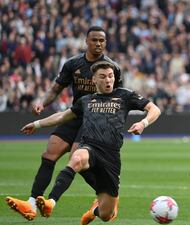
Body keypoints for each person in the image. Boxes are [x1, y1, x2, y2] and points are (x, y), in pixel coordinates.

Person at [20, 61, 161, 224]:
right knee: (77, 158)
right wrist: (37, 124)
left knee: (106, 215)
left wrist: (143, 123)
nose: (108, 80)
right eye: (103, 77)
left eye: (110, 76)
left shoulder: (125, 95)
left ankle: (95, 210)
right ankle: (51, 202)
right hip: (90, 147)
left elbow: (154, 109)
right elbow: (61, 116)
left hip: (111, 158)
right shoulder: (86, 100)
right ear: (94, 80)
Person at [5, 26, 123, 221]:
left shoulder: (111, 68)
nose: (98, 44)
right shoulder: (73, 64)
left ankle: (105, 199)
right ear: (86, 41)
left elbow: (118, 99)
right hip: (74, 115)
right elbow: (56, 88)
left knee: (76, 160)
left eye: (102, 40)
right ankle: (32, 203)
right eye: (94, 40)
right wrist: (42, 103)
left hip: (94, 121)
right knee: (49, 153)